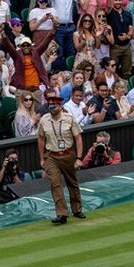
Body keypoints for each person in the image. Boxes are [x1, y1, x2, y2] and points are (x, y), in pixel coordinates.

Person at [36, 93, 85, 225]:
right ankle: (62, 213)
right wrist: (42, 159)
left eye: (54, 106)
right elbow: (40, 139)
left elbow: (78, 137)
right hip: (51, 156)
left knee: (72, 182)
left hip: (68, 154)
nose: (52, 108)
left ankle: (77, 209)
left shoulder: (69, 118)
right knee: (55, 183)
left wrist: (79, 157)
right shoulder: (44, 120)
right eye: (50, 106)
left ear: (60, 106)